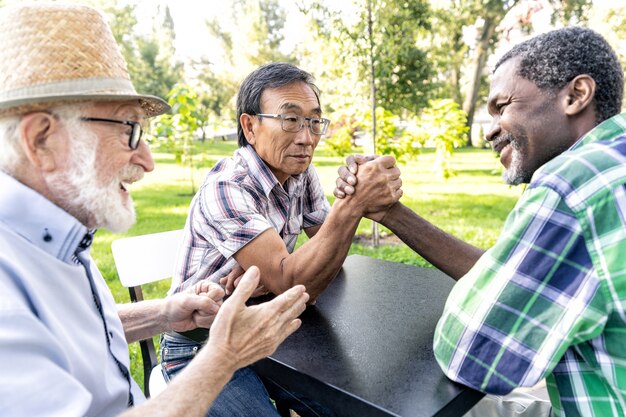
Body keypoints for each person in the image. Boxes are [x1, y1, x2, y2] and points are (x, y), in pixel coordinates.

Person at [0, 4, 309, 417]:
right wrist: (225, 357)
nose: (147, 161)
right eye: (129, 131)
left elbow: (67, 329)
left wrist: (165, 313)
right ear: (41, 139)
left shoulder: (51, 235)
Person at [335, 26, 625, 417]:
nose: (489, 130)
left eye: (502, 106)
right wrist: (389, 213)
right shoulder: (612, 162)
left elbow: (472, 354)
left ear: (575, 96)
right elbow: (520, 275)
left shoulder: (571, 186)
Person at [162, 62, 403, 416]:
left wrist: (345, 198)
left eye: (314, 121)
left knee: (361, 408)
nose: (306, 137)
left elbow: (329, 258)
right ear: (250, 125)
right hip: (199, 347)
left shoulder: (300, 174)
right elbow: (294, 278)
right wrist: (351, 204)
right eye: (290, 120)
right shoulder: (227, 187)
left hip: (268, 329)